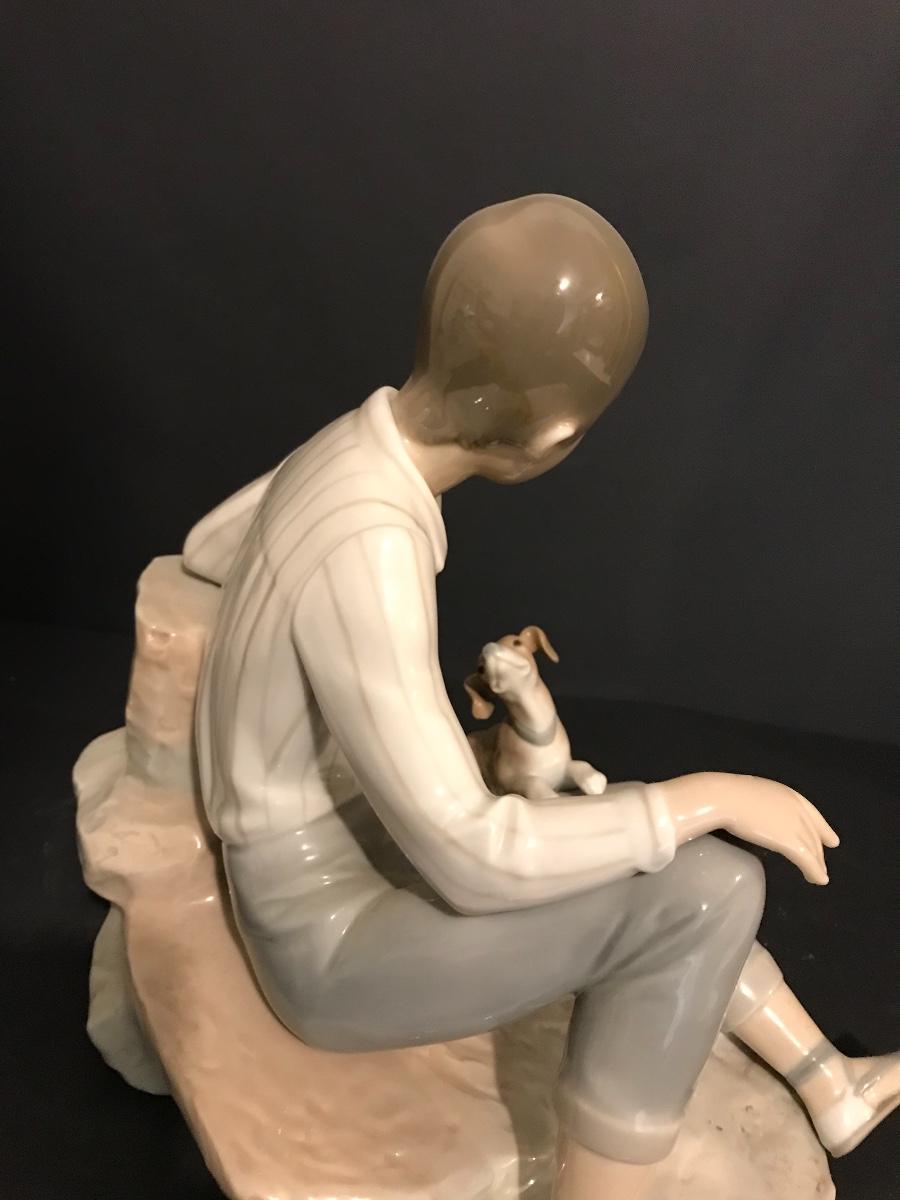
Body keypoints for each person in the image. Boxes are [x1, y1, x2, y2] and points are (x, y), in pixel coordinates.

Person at [184, 195, 899, 1200]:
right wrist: (704, 795)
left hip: (350, 842)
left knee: (621, 836)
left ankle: (827, 1081)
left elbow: (208, 548)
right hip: (325, 933)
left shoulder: (346, 449)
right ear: (557, 434)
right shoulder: (370, 545)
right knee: (707, 887)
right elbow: (471, 858)